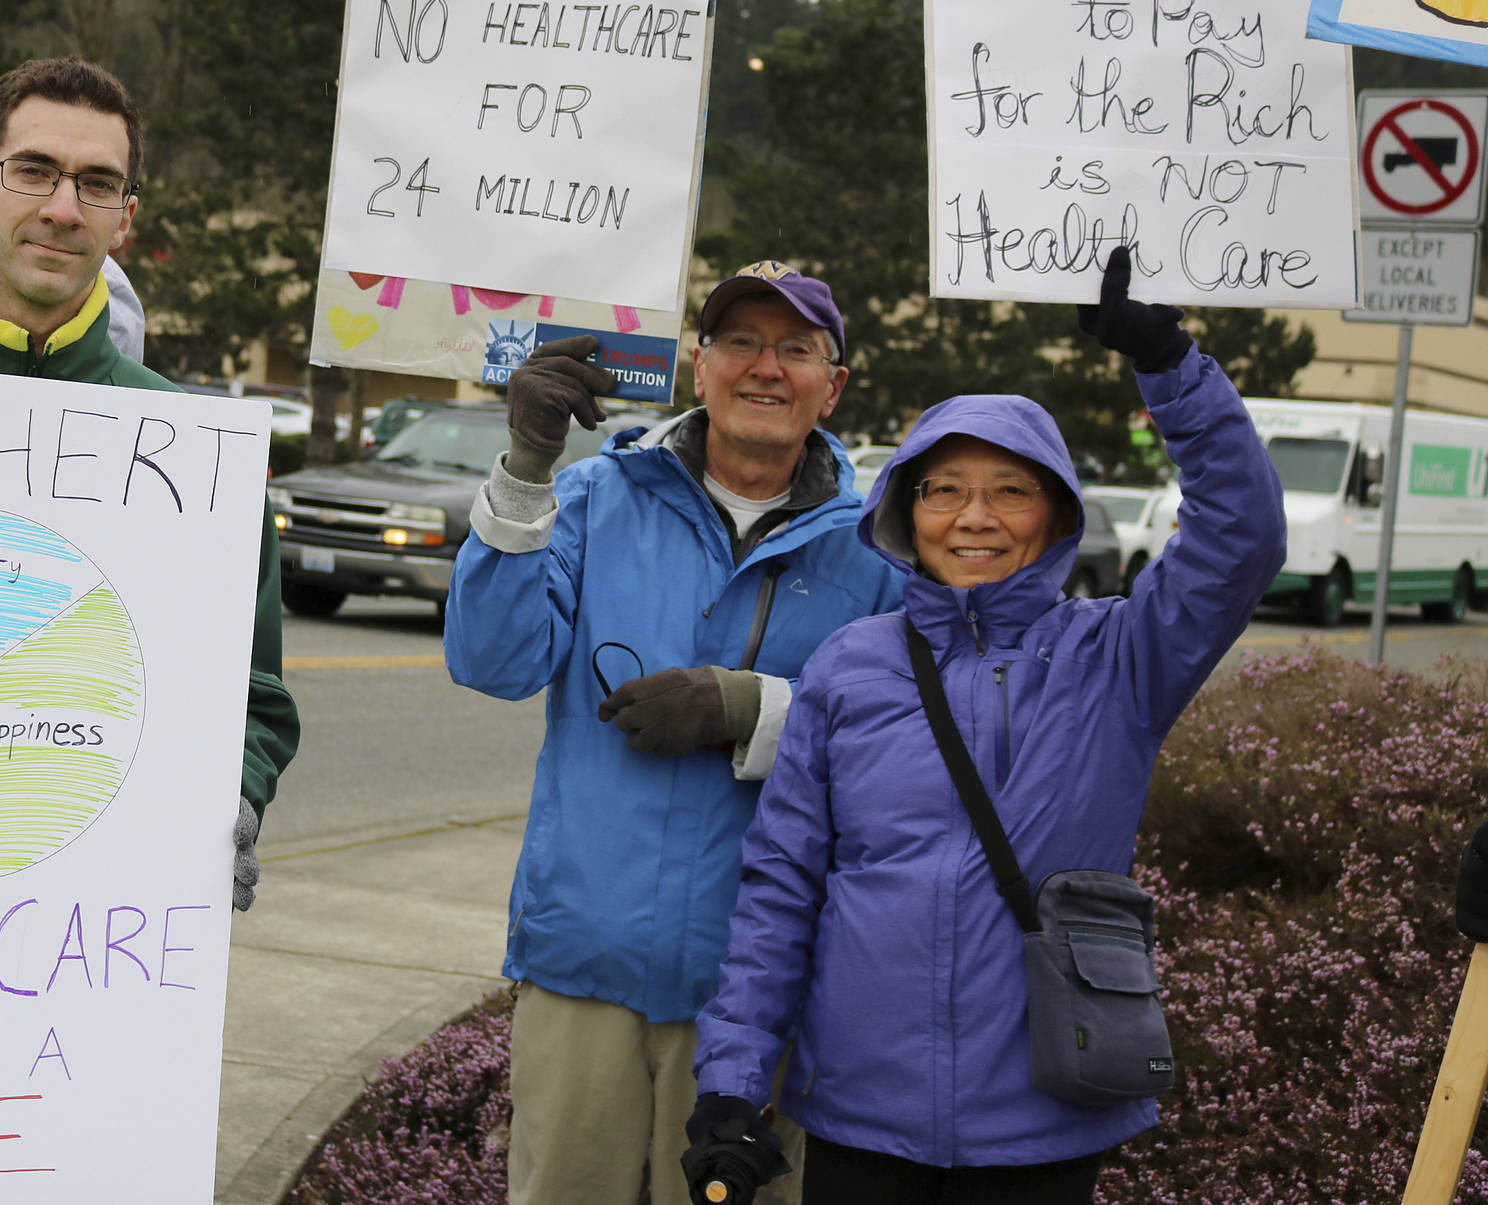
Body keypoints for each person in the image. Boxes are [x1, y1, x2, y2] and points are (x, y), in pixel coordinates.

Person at [685, 250, 1287, 1204]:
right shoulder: (851, 664)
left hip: (1044, 1118)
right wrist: (730, 1077)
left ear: (1054, 515)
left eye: (1010, 489)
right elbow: (781, 889)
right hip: (859, 1112)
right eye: (943, 488)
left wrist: (1170, 363)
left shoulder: (1122, 657)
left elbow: (1242, 536)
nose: (974, 516)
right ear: (905, 511)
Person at [444, 262, 905, 1205]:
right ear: (700, 367)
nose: (764, 367)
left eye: (795, 348)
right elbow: (491, 659)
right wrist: (529, 462)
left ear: (835, 383)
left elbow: (899, 751)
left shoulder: (877, 554)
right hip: (584, 964)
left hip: (762, 1002)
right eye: (740, 342)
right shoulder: (591, 500)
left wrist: (755, 710)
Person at [0, 55, 299, 900]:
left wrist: (236, 798)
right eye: (33, 171)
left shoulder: (199, 457)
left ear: (125, 219)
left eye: (98, 183)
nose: (63, 210)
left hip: (94, 934)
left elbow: (254, 695)